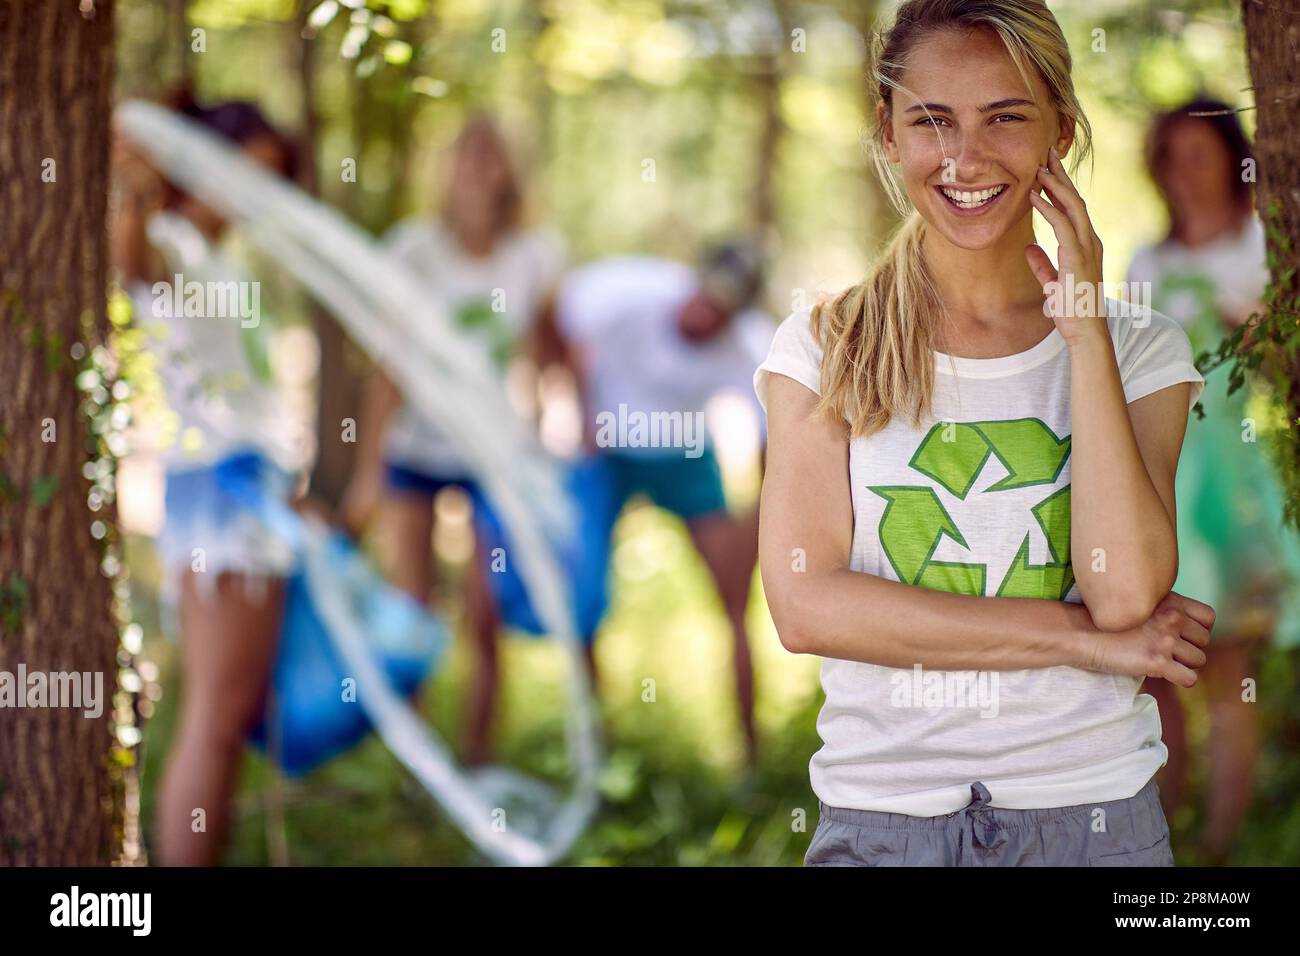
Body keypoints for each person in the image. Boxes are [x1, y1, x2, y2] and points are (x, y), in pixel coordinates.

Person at [755, 0, 1216, 867]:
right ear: (888, 133)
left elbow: (1123, 594)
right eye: (932, 120)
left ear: (1061, 131)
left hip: (1092, 815)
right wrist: (1083, 642)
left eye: (1006, 117)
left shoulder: (1141, 347)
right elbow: (806, 605)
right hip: (884, 817)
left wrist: (1082, 331)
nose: (966, 158)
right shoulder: (824, 346)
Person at [113, 96, 303, 865]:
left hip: (252, 490)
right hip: (218, 497)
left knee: (231, 717)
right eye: (242, 173)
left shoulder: (224, 256)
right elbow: (136, 262)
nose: (252, 194)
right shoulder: (175, 242)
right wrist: (131, 186)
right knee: (216, 719)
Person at [340, 117, 565, 765]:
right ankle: (417, 764)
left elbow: (543, 349)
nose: (476, 167)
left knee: (484, 611)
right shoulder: (413, 250)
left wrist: (543, 433)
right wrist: (367, 470)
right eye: (464, 153)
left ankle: (476, 758)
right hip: (415, 449)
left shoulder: (533, 255)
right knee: (411, 612)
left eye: (489, 154)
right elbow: (387, 367)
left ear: (507, 170)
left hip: (492, 455)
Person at [1126, 98, 1300, 863]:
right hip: (1160, 473)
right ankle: (1166, 817)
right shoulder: (1147, 263)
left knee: (1230, 659)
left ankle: (1223, 843)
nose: (1182, 173)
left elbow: (1281, 364)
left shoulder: (1266, 246)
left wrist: (1254, 327)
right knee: (1151, 656)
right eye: (1169, 158)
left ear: (1233, 160)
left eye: (1197, 154)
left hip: (1235, 480)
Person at [544, 244, 772, 765]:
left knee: (737, 604)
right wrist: (583, 418)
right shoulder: (627, 292)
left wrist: (761, 517)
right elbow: (565, 332)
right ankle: (594, 748)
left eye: (724, 310)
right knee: (584, 594)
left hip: (687, 457)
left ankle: (750, 754)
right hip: (608, 454)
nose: (706, 315)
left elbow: (769, 440)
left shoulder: (749, 347)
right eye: (706, 298)